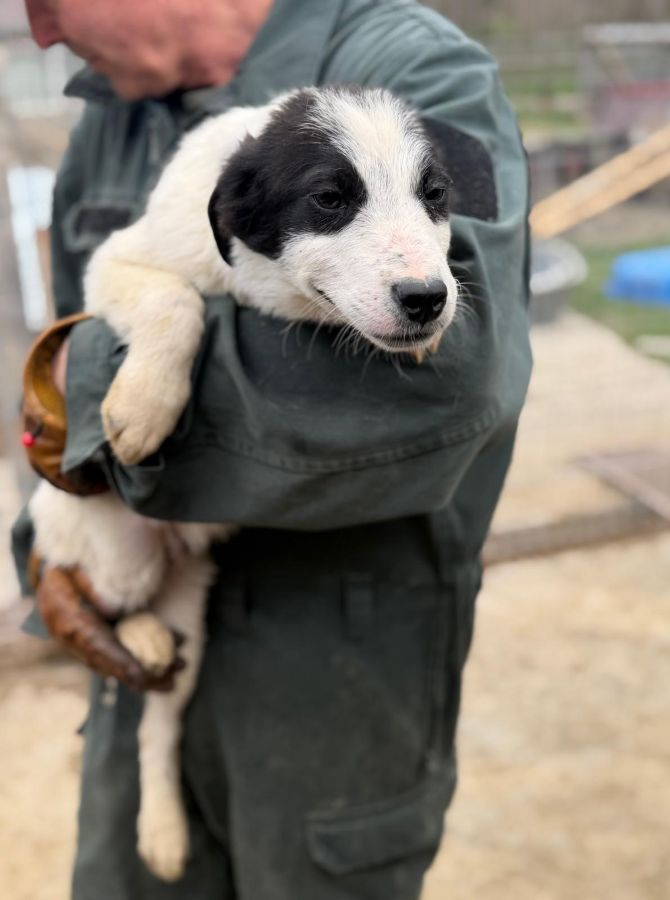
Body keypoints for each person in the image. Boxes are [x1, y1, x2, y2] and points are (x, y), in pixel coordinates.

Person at [14, 1, 532, 897]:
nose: (42, 34)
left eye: (44, 1)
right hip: (143, 672)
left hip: (331, 688)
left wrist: (97, 387)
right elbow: (76, 339)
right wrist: (45, 550)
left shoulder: (409, 67)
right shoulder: (108, 113)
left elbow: (447, 381)